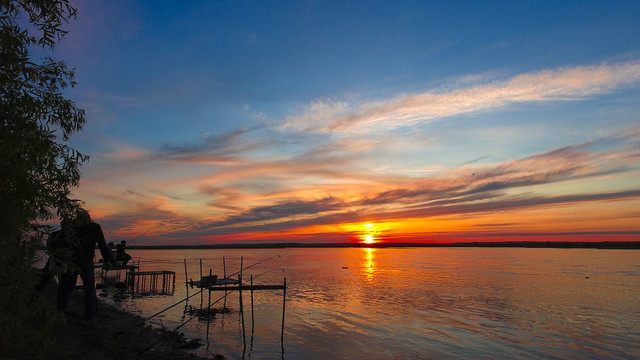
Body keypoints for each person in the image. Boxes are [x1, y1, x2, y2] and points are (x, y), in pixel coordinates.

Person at [56, 209, 113, 324]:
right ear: (89, 217)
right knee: (89, 289)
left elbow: (64, 243)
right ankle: (89, 317)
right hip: (85, 262)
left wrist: (62, 260)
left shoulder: (72, 226)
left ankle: (60, 310)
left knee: (68, 287)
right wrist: (107, 260)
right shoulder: (95, 227)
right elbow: (102, 244)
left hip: (72, 261)